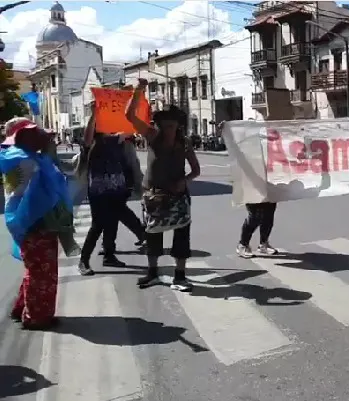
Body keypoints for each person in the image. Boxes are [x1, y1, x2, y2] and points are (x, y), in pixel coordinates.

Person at [125, 78, 200, 292]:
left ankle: (180, 276)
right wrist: (138, 91)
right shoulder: (152, 136)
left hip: (178, 196)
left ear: (178, 125)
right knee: (153, 234)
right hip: (154, 195)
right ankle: (152, 274)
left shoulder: (184, 144)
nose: (167, 128)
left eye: (171, 124)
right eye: (164, 124)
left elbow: (196, 170)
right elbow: (129, 116)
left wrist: (184, 181)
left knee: (181, 236)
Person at [1, 117, 72, 330]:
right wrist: (48, 146)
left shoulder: (18, 156)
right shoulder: (27, 160)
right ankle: (35, 317)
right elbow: (52, 183)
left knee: (34, 267)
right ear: (23, 137)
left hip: (25, 219)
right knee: (43, 271)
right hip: (35, 221)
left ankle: (22, 307)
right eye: (35, 132)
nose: (41, 134)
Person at [77, 104, 131, 276]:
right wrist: (94, 114)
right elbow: (86, 137)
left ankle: (109, 255)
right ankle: (83, 261)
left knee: (113, 223)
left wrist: (132, 99)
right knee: (98, 225)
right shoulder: (92, 143)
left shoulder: (117, 139)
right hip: (98, 191)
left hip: (117, 188)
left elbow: (132, 127)